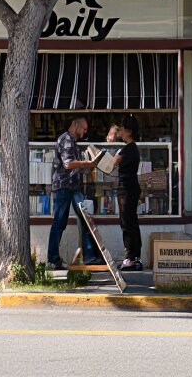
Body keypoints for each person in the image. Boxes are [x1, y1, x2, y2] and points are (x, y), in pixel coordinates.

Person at [46, 115, 104, 270]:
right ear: (75, 125)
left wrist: (91, 165)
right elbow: (68, 164)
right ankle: (53, 259)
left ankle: (90, 257)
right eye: (83, 129)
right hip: (64, 187)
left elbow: (75, 166)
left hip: (73, 187)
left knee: (84, 219)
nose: (85, 132)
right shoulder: (66, 139)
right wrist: (89, 163)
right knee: (59, 223)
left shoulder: (72, 142)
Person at [113, 115, 143, 271]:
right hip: (128, 189)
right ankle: (133, 255)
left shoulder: (129, 149)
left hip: (127, 189)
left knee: (127, 223)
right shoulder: (129, 148)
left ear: (129, 131)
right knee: (130, 221)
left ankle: (130, 257)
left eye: (122, 129)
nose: (120, 131)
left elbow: (112, 163)